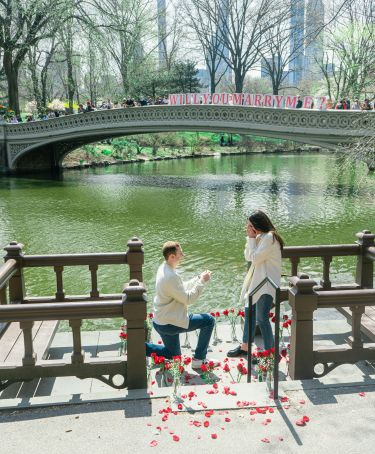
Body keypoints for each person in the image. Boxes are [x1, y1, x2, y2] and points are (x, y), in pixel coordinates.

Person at [145, 241, 217, 368]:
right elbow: (188, 299)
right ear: (172, 257)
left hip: (160, 321)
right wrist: (202, 282)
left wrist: (197, 278)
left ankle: (139, 347)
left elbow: (179, 288)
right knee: (209, 321)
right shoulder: (171, 276)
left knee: (173, 355)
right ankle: (199, 360)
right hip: (169, 324)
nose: (183, 255)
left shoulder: (164, 267)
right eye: (180, 253)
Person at [227, 210, 283, 357]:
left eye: (250, 225)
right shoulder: (260, 237)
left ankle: (271, 353)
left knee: (261, 318)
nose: (248, 228)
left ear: (258, 224)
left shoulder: (269, 238)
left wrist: (251, 238)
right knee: (249, 312)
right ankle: (245, 347)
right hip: (257, 283)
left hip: (266, 284)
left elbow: (256, 259)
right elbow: (248, 256)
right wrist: (251, 238)